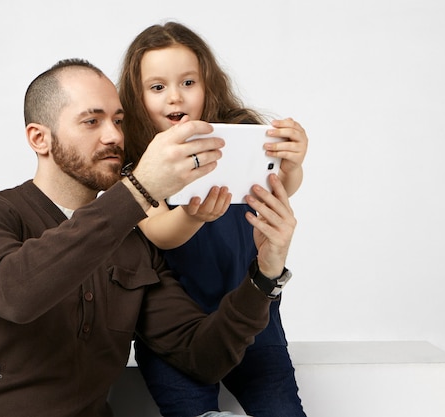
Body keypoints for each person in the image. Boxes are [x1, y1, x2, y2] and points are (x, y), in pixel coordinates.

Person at [0, 58, 298, 417]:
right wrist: (140, 189)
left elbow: (202, 357)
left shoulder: (133, 247)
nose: (114, 136)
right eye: (92, 121)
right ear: (40, 138)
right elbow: (17, 293)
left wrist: (264, 276)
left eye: (119, 120)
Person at [118, 22, 308, 417]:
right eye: (157, 87)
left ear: (208, 84)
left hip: (255, 322)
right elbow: (161, 232)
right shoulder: (136, 162)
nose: (175, 96)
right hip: (177, 335)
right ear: (136, 99)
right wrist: (191, 215)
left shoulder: (242, 134)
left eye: (188, 82)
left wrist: (293, 160)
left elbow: (281, 186)